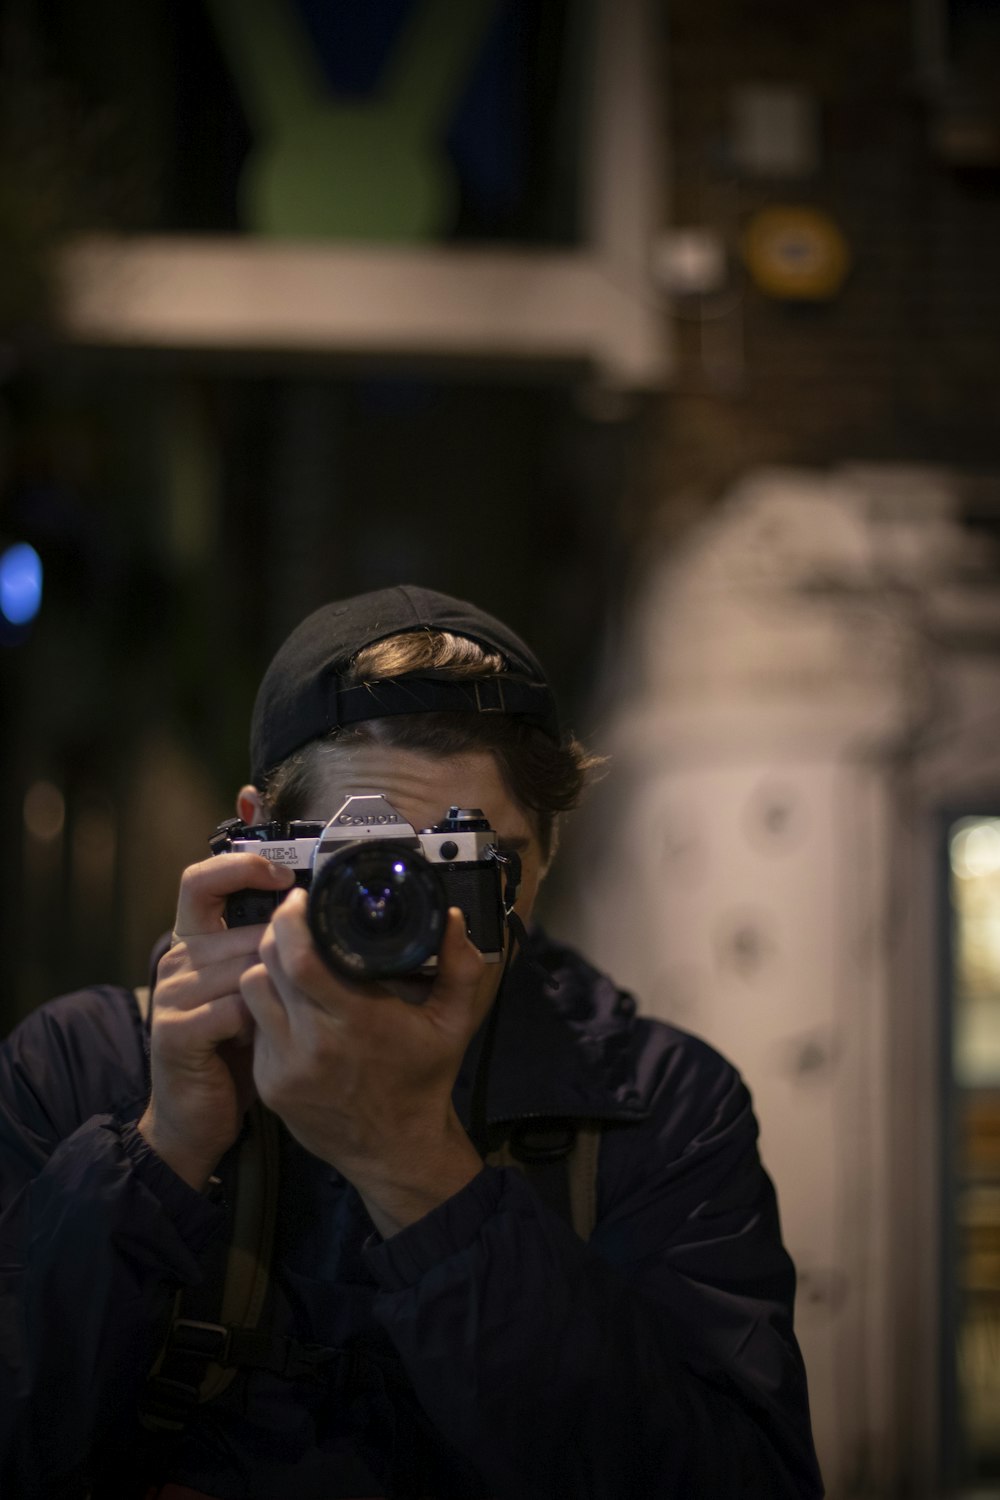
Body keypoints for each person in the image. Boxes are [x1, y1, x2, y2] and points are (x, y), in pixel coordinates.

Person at [0, 584, 824, 1500]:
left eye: (469, 868)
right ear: (260, 840)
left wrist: (415, 1165)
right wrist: (164, 1150)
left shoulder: (660, 1109)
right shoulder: (84, 1067)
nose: (413, 917)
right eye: (371, 862)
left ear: (543, 862)